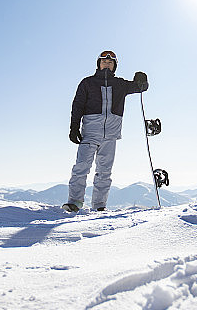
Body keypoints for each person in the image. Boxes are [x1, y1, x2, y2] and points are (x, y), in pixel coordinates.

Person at [63, 50, 148, 212]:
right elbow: (77, 105)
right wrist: (74, 127)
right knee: (81, 166)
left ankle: (99, 206)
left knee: (104, 172)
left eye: (110, 62)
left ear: (114, 66)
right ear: (98, 64)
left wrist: (143, 81)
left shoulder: (120, 84)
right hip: (90, 132)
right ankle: (74, 203)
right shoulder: (88, 83)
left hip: (111, 135)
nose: (107, 64)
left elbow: (140, 88)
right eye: (104, 62)